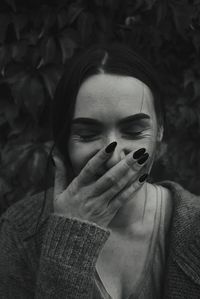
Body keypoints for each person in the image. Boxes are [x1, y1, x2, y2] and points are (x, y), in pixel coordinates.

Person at [0, 42, 200, 299]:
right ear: (64, 141)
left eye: (134, 131)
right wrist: (70, 237)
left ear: (160, 129)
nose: (114, 155)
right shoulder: (20, 232)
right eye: (87, 134)